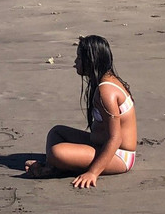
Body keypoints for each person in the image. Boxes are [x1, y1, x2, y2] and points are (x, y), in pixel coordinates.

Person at [25, 34, 138, 188]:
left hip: (119, 156)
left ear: (90, 61)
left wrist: (93, 172)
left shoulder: (107, 92)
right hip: (101, 144)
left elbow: (116, 138)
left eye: (78, 58)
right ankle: (53, 165)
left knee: (57, 153)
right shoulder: (103, 80)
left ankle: (55, 166)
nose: (75, 62)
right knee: (56, 132)